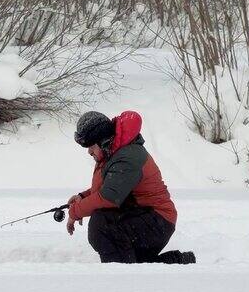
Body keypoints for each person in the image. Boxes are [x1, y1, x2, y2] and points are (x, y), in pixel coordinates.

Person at [66, 110, 195, 264]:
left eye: (91, 147)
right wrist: (82, 197)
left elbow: (108, 197)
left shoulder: (128, 157)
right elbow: (110, 187)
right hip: (143, 215)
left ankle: (121, 277)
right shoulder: (114, 151)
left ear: (103, 141)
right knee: (134, 257)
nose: (89, 152)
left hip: (158, 220)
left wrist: (75, 212)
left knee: (101, 225)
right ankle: (178, 262)